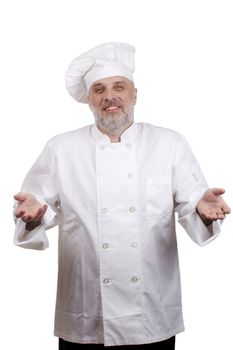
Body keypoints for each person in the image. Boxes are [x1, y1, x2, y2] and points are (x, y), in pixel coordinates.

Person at [13, 42, 230, 350]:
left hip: (151, 315)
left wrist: (202, 209)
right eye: (99, 89)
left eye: (119, 86)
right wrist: (32, 215)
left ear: (134, 94)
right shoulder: (61, 148)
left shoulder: (169, 143)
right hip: (85, 315)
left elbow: (194, 204)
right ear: (89, 100)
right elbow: (35, 206)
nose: (109, 96)